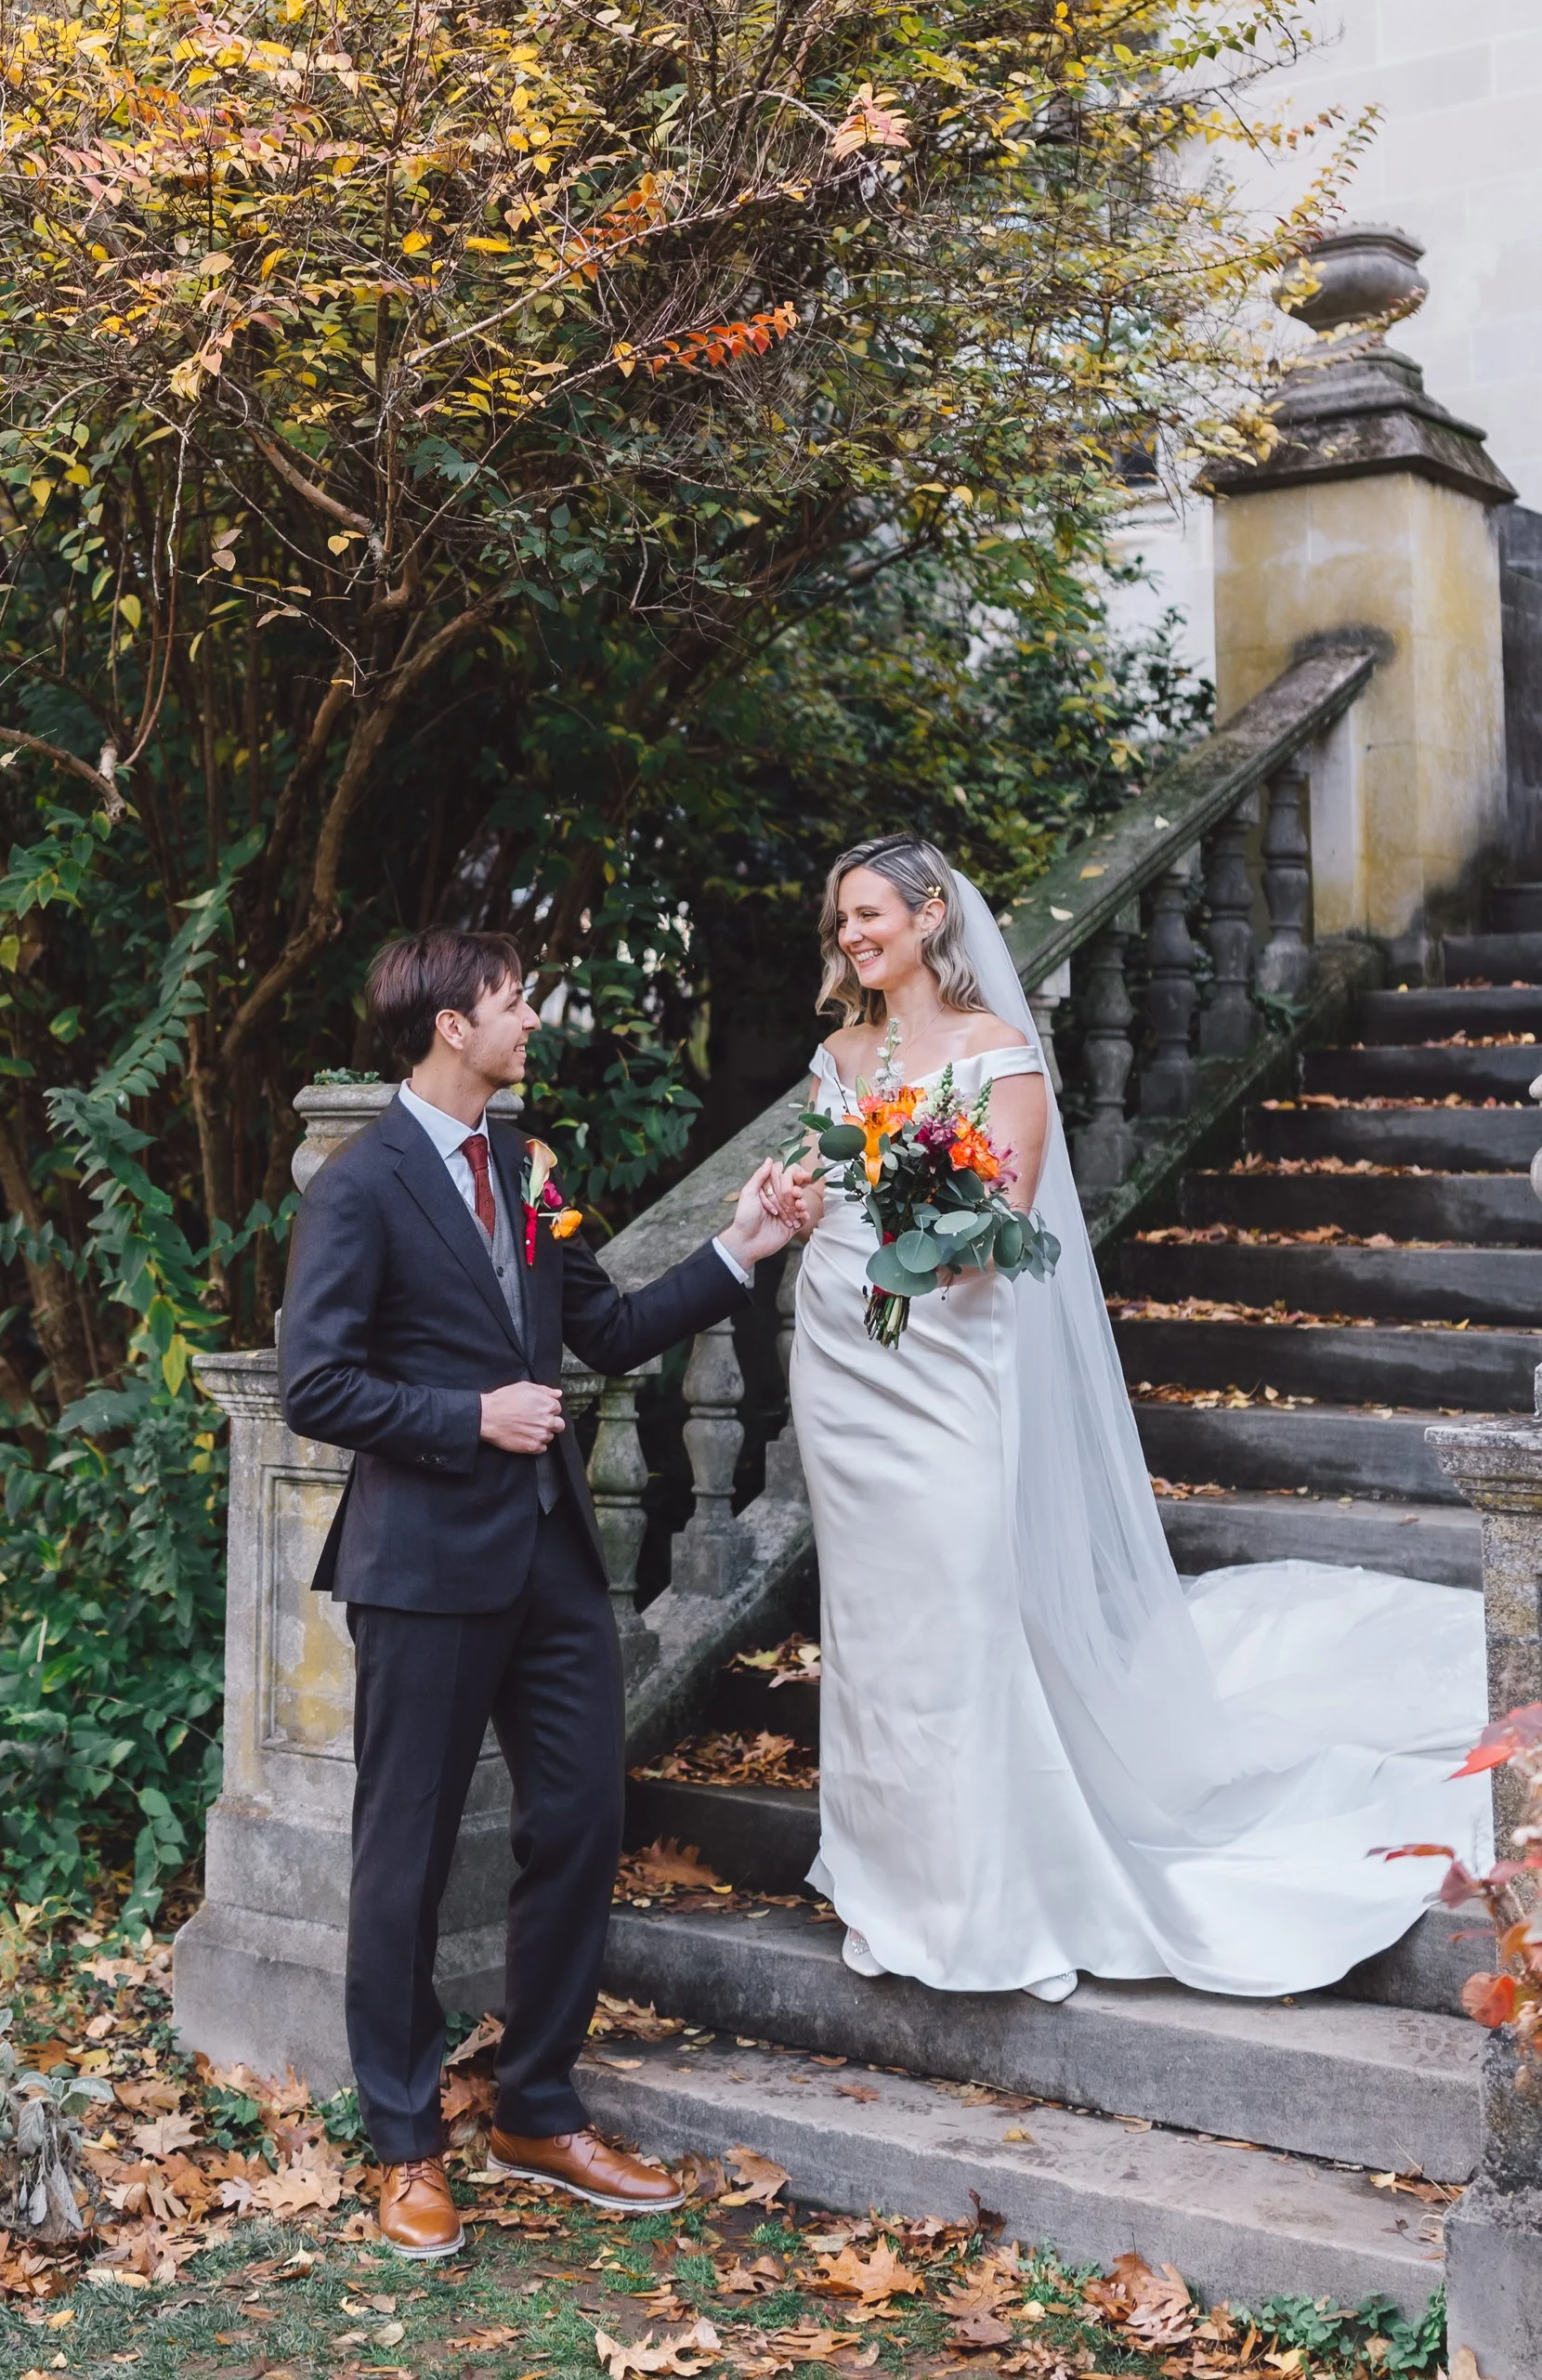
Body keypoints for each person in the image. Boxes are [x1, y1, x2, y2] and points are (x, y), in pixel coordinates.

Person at [764, 831, 1485, 2005]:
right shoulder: (838, 1051)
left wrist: (917, 1216)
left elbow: (1003, 1220)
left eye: (869, 915)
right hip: (844, 1361)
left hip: (946, 1362)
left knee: (957, 1601)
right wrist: (796, 1199)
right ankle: (889, 1873)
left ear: (930, 915)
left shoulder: (1000, 1050)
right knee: (875, 1619)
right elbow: (810, 1178)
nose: (851, 936)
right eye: (839, 920)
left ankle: (989, 1892)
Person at [280, 925, 801, 2257]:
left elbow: (606, 1326)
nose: (531, 1023)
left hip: (551, 1562)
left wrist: (739, 1247)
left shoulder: (527, 1163)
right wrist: (468, 1415)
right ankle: (405, 2143)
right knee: (404, 1857)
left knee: (580, 1817)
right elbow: (314, 1385)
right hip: (425, 1572)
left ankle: (537, 2105)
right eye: (513, 1003)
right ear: (452, 1024)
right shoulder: (358, 1186)